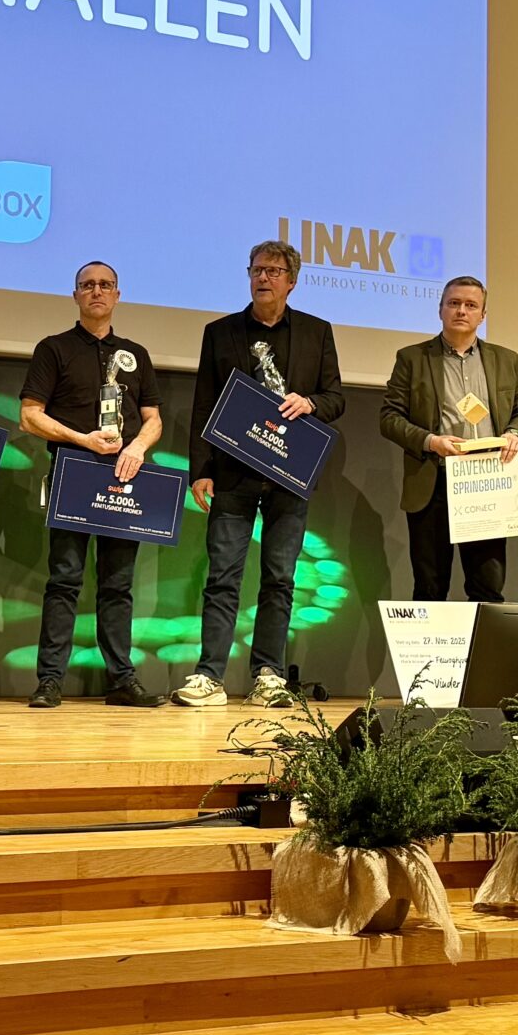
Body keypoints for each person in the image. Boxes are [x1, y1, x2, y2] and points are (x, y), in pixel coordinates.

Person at [172, 239, 345, 708]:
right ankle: (209, 676)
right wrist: (200, 470)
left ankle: (268, 675)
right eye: (256, 270)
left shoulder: (317, 332)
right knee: (222, 577)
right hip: (233, 474)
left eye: (273, 271)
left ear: (292, 281)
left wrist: (310, 403)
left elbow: (336, 398)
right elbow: (204, 403)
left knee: (280, 579)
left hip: (290, 474)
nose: (263, 278)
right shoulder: (220, 332)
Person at [18, 261, 165, 710]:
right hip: (74, 473)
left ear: (117, 294)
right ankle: (49, 681)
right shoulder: (54, 348)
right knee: (64, 580)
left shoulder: (136, 354)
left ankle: (121, 680)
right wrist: (83, 440)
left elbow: (153, 419)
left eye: (105, 285)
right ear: (76, 295)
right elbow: (29, 416)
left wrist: (137, 447)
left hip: (125, 476)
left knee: (118, 585)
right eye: (88, 285)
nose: (96, 291)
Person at [382, 275, 518, 601]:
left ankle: (482, 639)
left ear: (483, 315)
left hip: (487, 482)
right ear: (440, 310)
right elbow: (389, 418)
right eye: (454, 303)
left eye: (470, 305)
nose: (461, 311)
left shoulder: (506, 360)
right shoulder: (412, 358)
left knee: (487, 588)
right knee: (430, 587)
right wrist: (431, 441)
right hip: (434, 480)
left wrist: (515, 433)